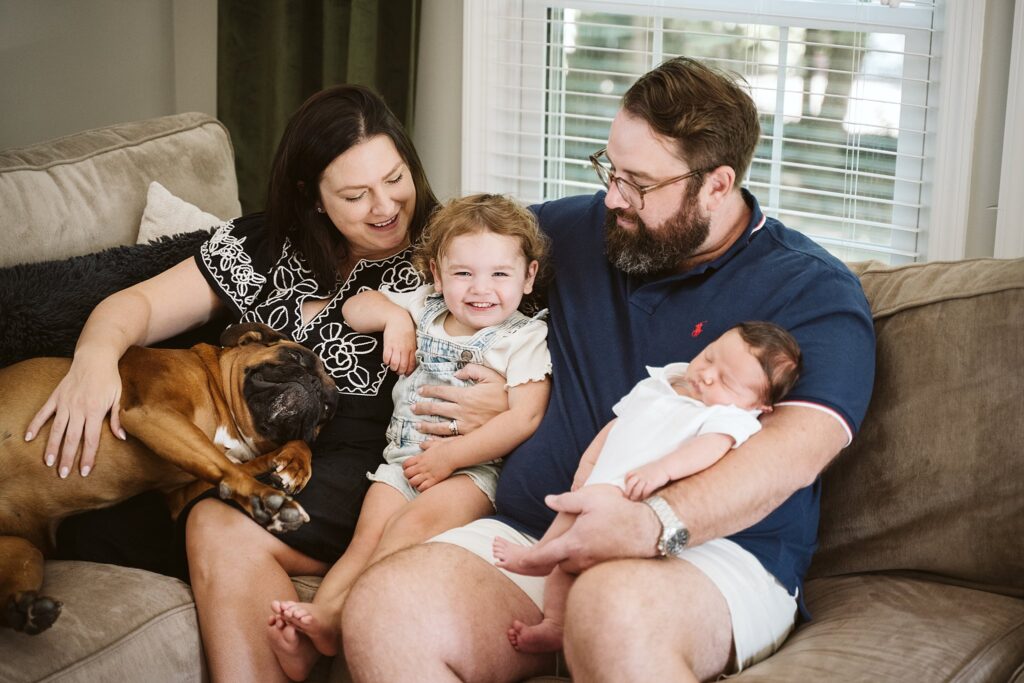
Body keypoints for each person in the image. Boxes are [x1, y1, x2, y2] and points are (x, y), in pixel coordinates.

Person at [340, 56, 875, 682]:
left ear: (718, 185)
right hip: (535, 534)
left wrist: (654, 522)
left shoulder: (813, 291)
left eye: (638, 184)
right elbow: (448, 258)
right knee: (384, 607)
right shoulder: (574, 231)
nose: (612, 197)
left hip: (709, 557)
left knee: (608, 607)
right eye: (609, 170)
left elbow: (792, 453)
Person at [23, 85, 503, 682]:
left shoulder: (450, 250)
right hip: (233, 447)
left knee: (216, 520)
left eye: (396, 178)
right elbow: (139, 307)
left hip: (363, 463)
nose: (385, 206)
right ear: (312, 197)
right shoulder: (261, 244)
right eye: (355, 194)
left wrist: (498, 401)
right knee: (86, 525)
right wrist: (93, 359)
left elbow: (517, 337)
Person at [266, 193, 552, 680]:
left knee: (407, 530)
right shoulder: (423, 305)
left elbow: (525, 418)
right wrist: (394, 318)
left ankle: (347, 613)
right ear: (437, 275)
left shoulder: (522, 338)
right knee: (364, 539)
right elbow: (356, 309)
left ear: (528, 277)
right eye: (463, 273)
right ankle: (326, 623)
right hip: (401, 459)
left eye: (500, 274)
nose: (481, 289)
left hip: (471, 472)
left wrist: (453, 456)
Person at [493, 322, 801, 654]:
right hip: (600, 484)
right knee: (565, 558)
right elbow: (617, 424)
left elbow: (708, 450)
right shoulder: (662, 382)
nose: (708, 375)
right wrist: (589, 463)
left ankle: (537, 558)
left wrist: (662, 470)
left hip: (632, 501)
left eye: (726, 381)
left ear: (759, 406)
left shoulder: (728, 417)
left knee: (570, 539)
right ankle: (555, 624)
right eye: (709, 357)